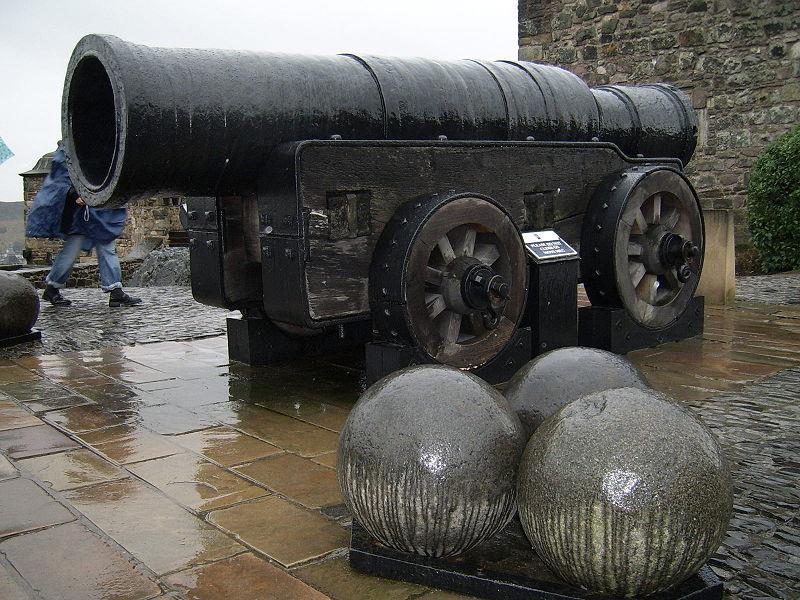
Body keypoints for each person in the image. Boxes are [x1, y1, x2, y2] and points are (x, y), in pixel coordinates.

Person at [25, 141, 141, 307]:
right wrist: (74, 194)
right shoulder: (72, 147)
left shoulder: (94, 144)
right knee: (74, 250)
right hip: (82, 212)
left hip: (97, 208)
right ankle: (53, 289)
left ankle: (114, 291)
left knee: (104, 245)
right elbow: (65, 175)